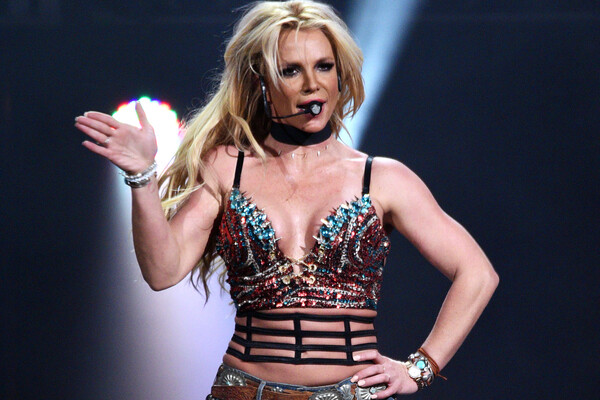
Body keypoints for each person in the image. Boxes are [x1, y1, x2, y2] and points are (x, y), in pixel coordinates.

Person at [75, 1, 499, 398]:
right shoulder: (227, 167)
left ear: (340, 76)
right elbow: (162, 271)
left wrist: (420, 367)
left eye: (324, 66)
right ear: (261, 81)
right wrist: (142, 176)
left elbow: (477, 273)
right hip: (245, 390)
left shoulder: (382, 178)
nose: (312, 84)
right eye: (291, 70)